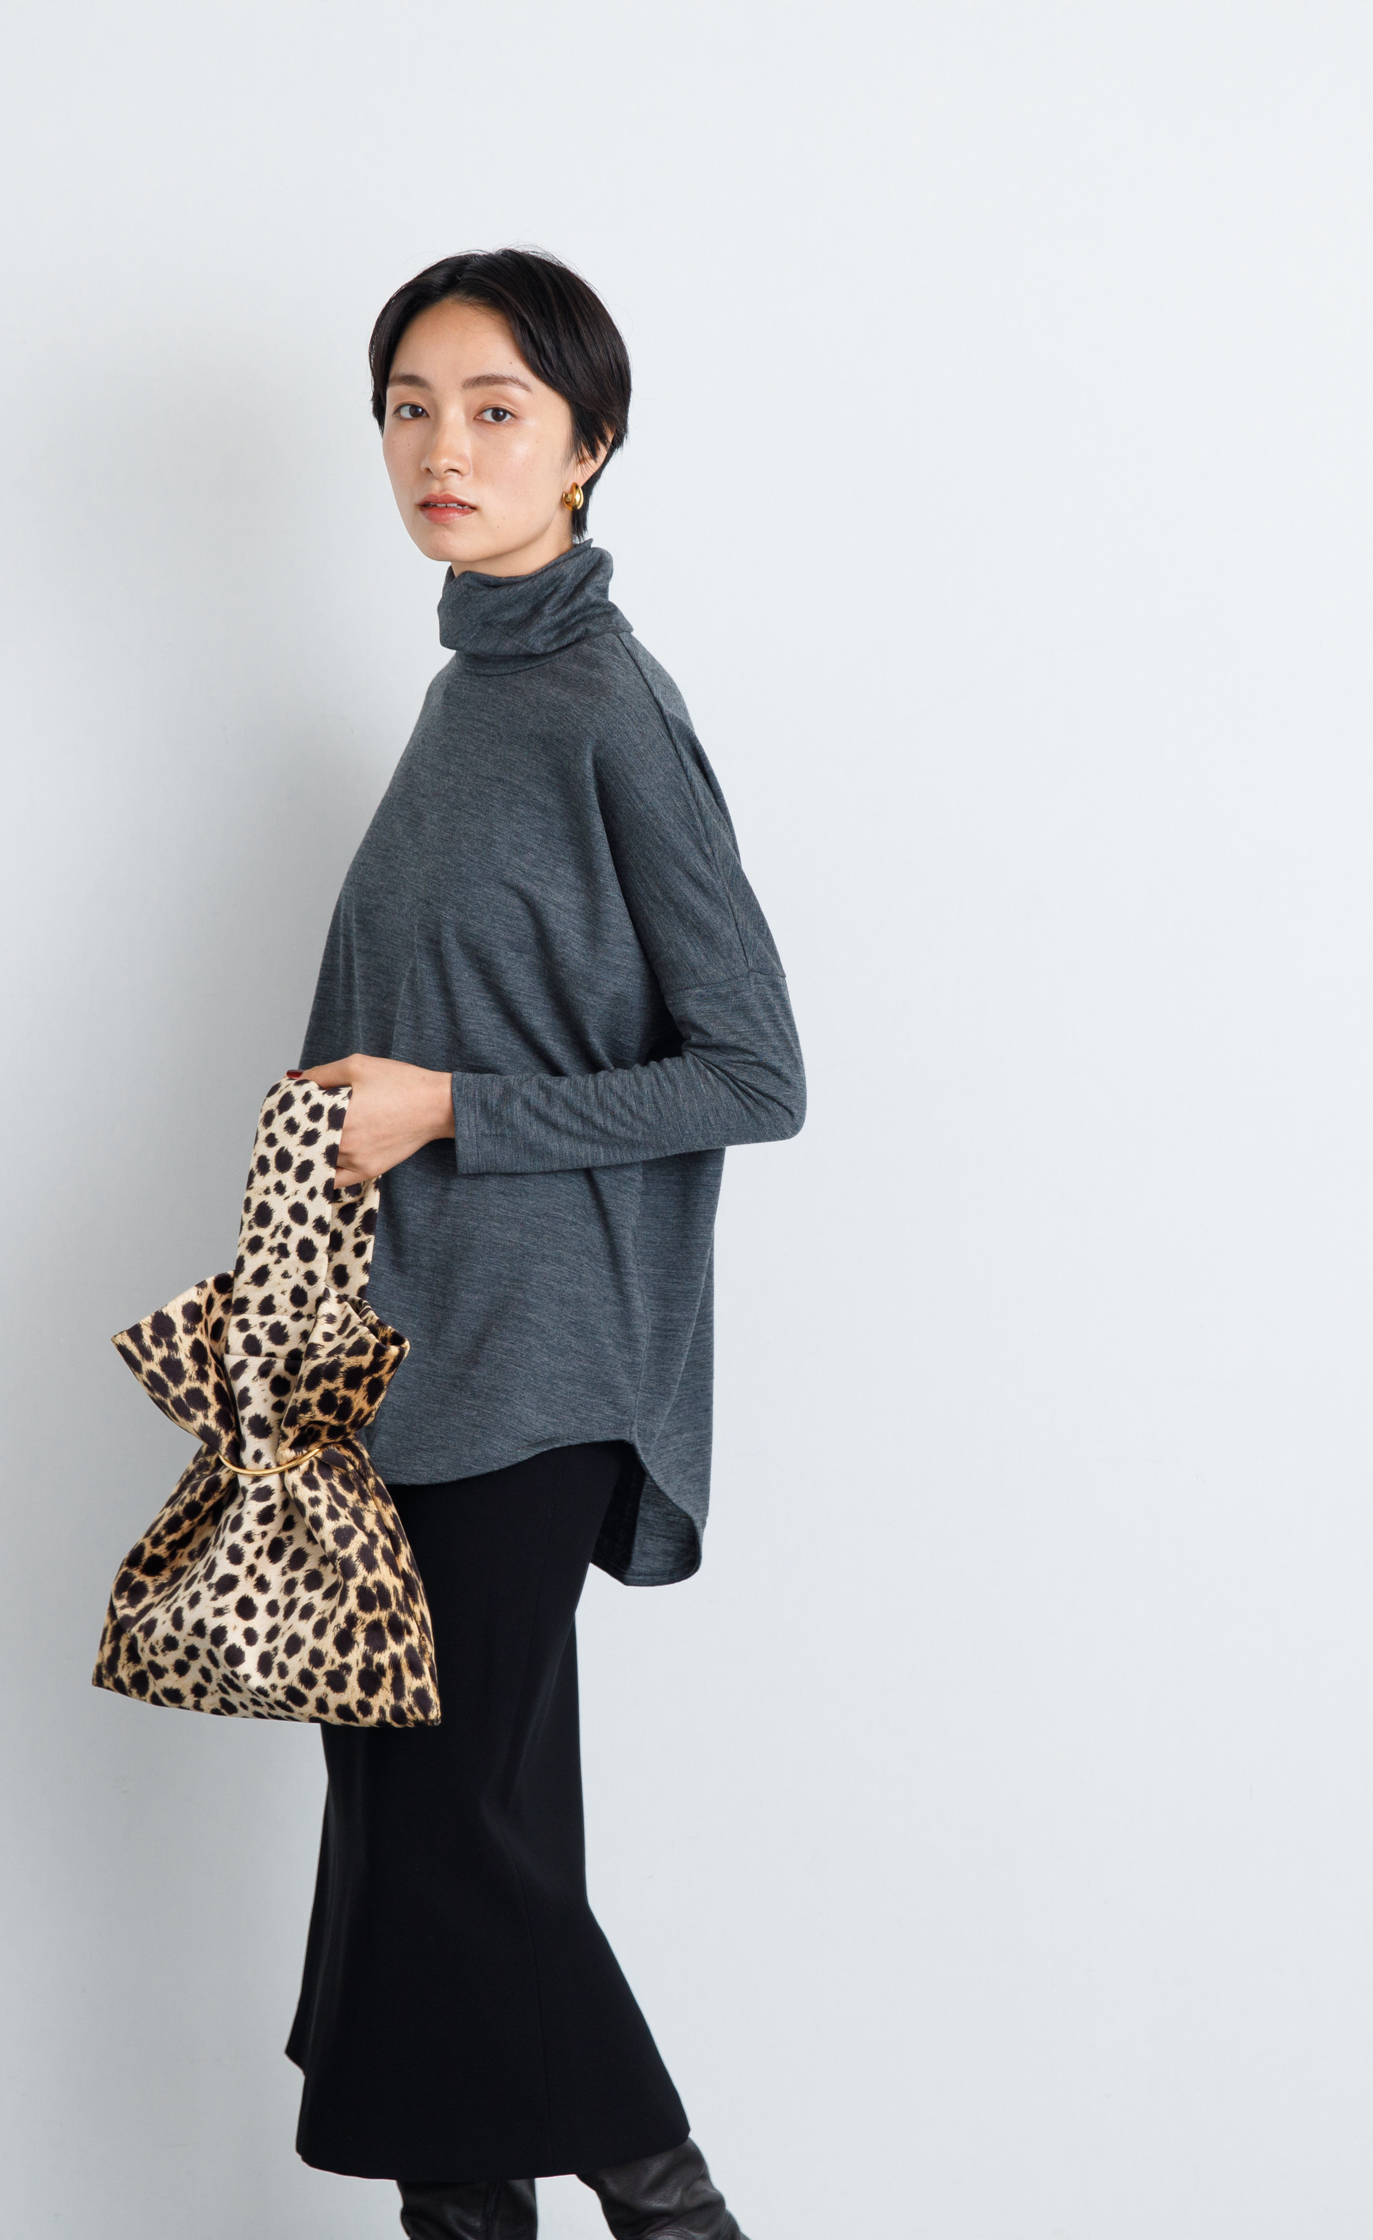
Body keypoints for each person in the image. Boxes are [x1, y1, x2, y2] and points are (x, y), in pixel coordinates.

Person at [286, 248, 804, 2240]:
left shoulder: (602, 706)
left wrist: (448, 1110)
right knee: (419, 1846)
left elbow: (754, 1072)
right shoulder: (464, 694)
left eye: (496, 408)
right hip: (402, 1363)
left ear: (588, 447)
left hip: (543, 1371)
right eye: (410, 406)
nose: (444, 445)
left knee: (447, 1845)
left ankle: (678, 2214)